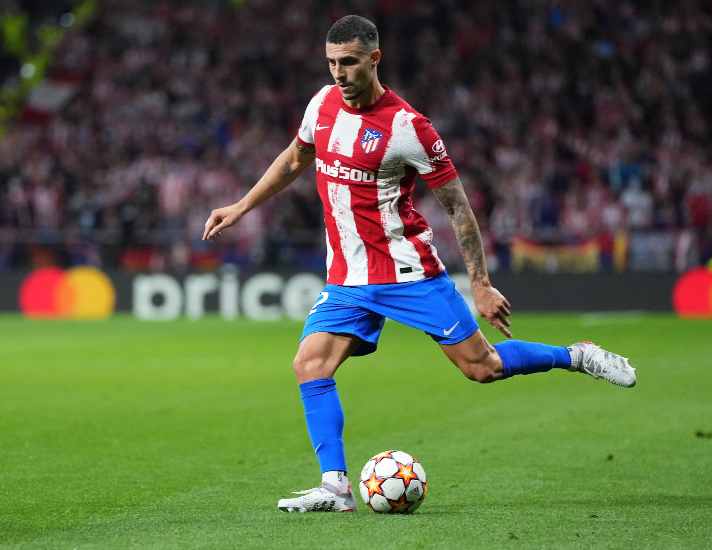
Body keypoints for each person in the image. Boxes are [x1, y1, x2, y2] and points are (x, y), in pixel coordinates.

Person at [202, 15, 636, 513]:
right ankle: (335, 486)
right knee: (309, 363)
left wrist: (481, 283)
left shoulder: (409, 127)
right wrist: (241, 205)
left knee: (483, 367)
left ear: (374, 59)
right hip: (347, 277)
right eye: (331, 63)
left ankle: (575, 355)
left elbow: (457, 205)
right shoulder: (321, 104)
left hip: (408, 272)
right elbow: (296, 157)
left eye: (348, 63)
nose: (338, 73)